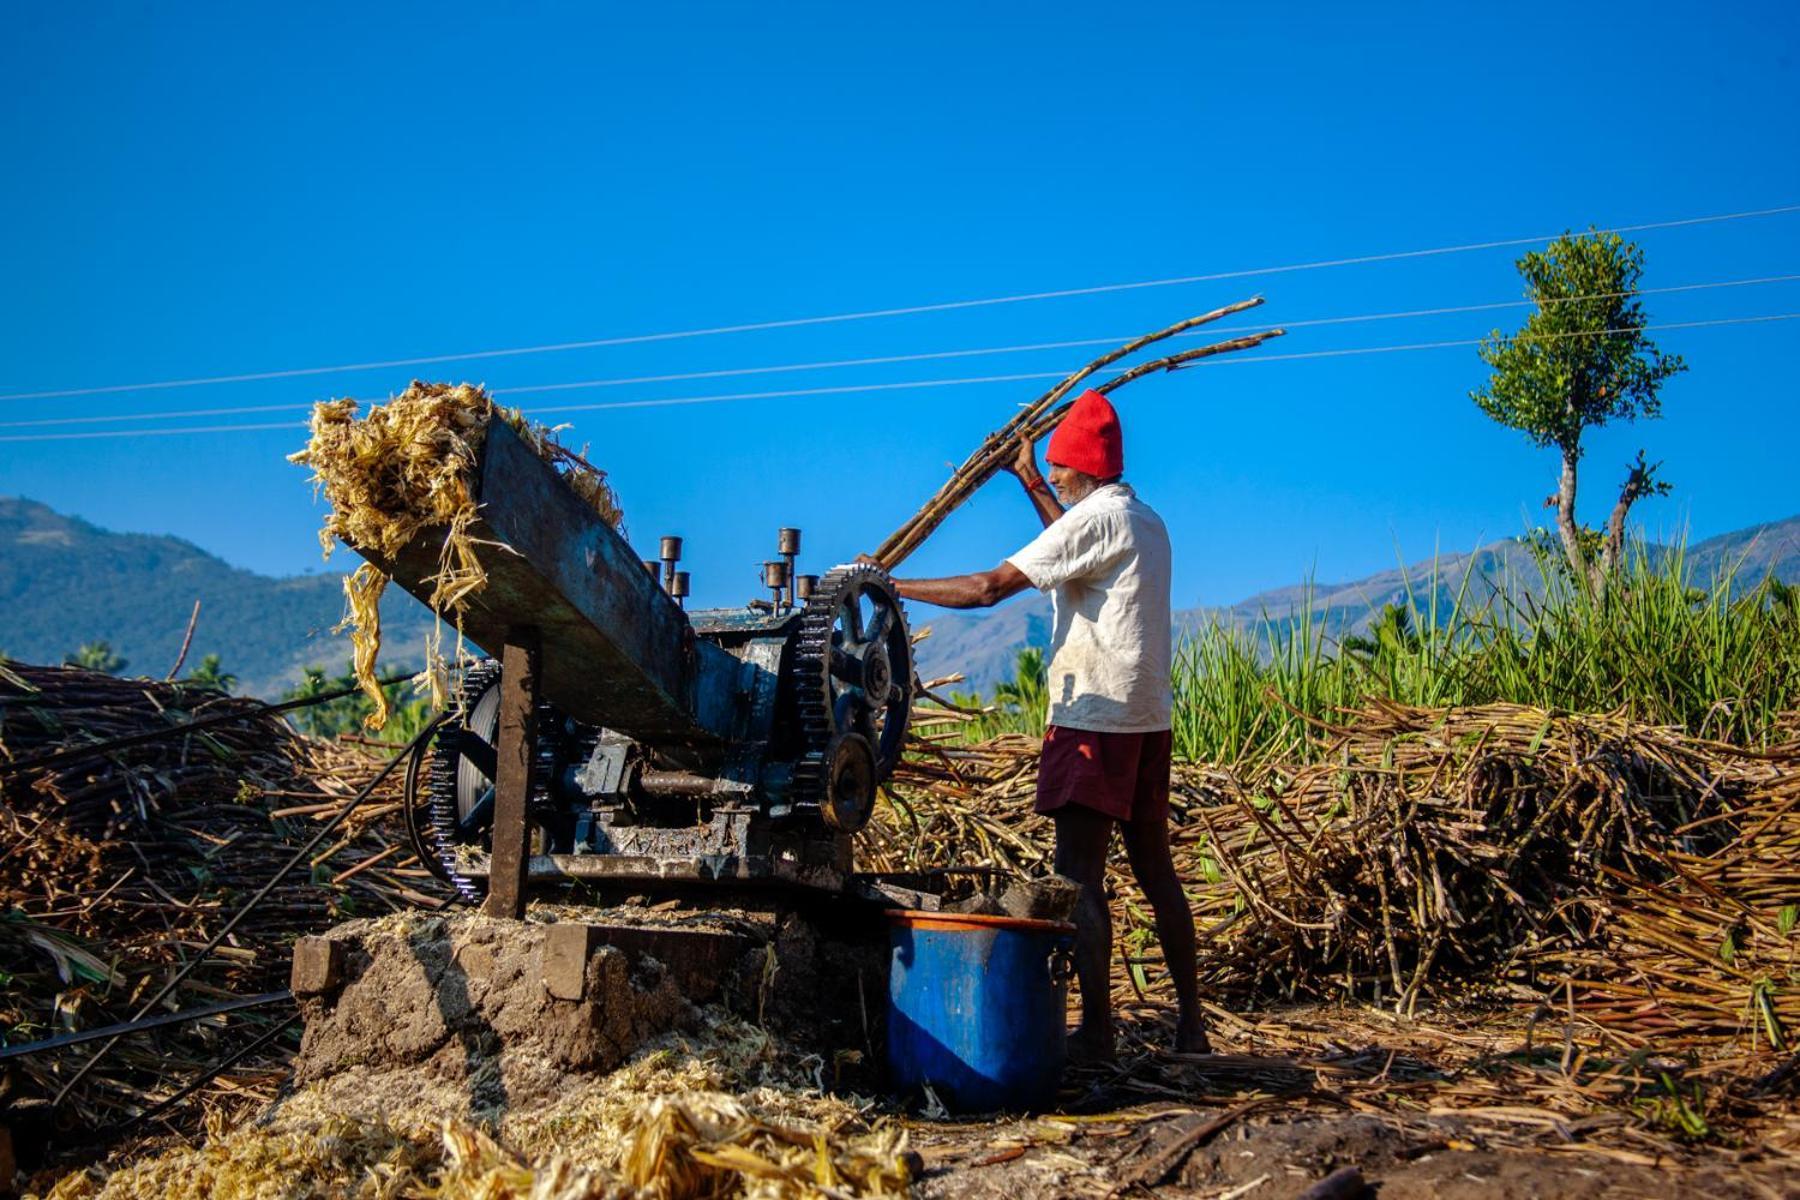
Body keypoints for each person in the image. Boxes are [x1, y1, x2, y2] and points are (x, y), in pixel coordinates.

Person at [874, 389, 1210, 1060]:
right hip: (1146, 719)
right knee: (1154, 869)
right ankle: (1192, 1027)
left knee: (1077, 875)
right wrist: (1026, 475)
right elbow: (1065, 543)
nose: (1054, 480)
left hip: (1093, 719)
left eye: (1057, 472)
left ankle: (1097, 1032)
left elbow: (988, 588)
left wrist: (885, 580)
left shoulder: (1096, 524)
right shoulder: (1143, 520)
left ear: (1084, 471)